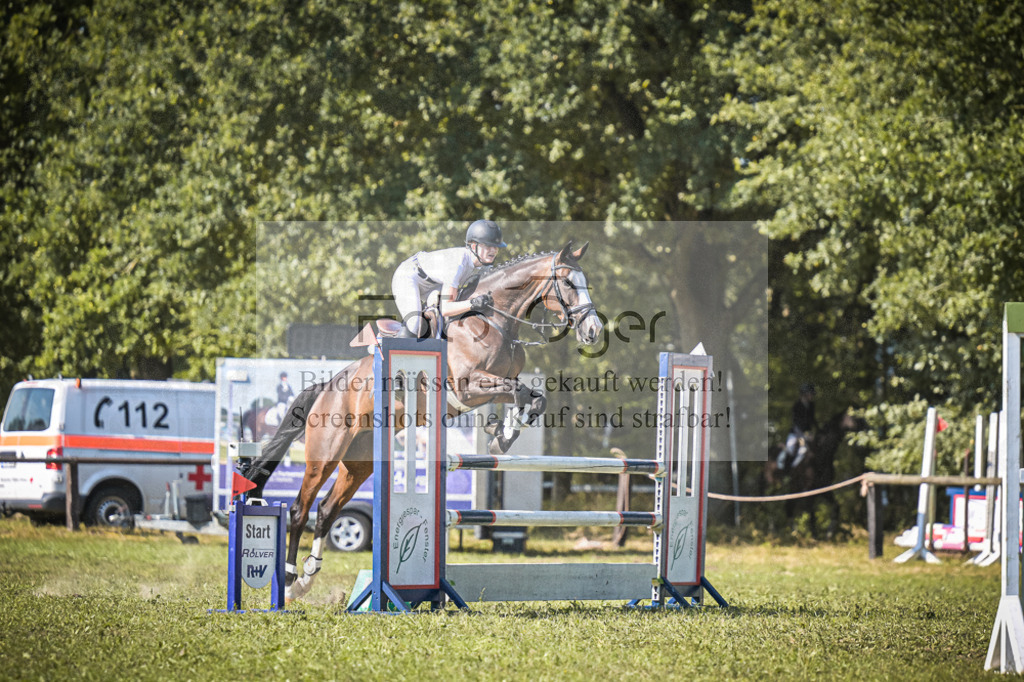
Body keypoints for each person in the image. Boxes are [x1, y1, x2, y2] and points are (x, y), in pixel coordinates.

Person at [391, 220, 506, 338]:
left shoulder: (484, 266)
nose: (494, 250)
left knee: (443, 321)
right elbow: (446, 308)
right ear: (473, 246)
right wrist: (473, 303)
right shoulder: (457, 264)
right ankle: (388, 342)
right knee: (415, 325)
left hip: (434, 284)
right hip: (408, 276)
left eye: (496, 246)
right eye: (488, 246)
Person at [778, 383, 817, 471]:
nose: (812, 396)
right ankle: (786, 469)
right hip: (797, 433)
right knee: (792, 449)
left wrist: (817, 430)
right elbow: (797, 422)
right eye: (810, 394)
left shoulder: (811, 405)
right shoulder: (797, 406)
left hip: (808, 433)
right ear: (805, 394)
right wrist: (804, 434)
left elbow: (813, 420)